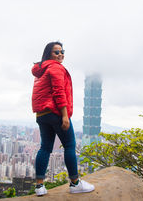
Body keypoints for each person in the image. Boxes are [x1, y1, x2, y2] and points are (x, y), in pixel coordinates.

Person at [31, 41, 95, 196]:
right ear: (49, 54)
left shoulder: (41, 70)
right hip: (55, 113)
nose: (60, 55)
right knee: (69, 145)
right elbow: (59, 92)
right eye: (56, 52)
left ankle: (39, 187)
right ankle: (75, 183)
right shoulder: (55, 68)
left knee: (45, 147)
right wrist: (65, 116)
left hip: (41, 114)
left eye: (62, 51)